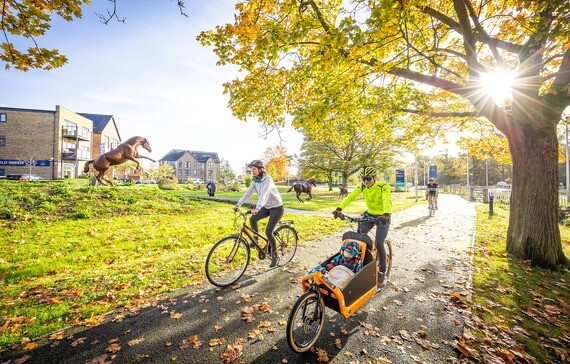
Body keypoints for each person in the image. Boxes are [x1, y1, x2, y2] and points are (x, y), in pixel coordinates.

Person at [333, 166, 391, 289]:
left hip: (383, 216)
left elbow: (386, 200)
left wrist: (385, 214)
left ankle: (382, 272)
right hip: (369, 214)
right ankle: (358, 263)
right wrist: (339, 209)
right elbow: (351, 196)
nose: (365, 181)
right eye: (363, 179)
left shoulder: (383, 186)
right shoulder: (363, 186)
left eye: (368, 179)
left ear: (374, 178)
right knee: (359, 238)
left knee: (380, 243)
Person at [233, 160, 284, 267]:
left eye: (254, 169)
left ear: (261, 170)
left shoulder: (268, 180)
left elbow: (265, 195)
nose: (253, 171)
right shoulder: (255, 181)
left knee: (269, 231)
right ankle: (256, 240)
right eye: (251, 169)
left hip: (277, 208)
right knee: (252, 219)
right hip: (266, 207)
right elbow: (248, 193)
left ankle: (275, 255)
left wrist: (258, 208)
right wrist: (238, 205)